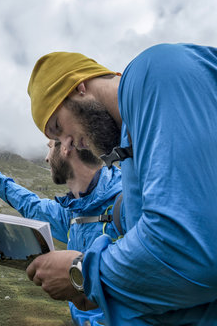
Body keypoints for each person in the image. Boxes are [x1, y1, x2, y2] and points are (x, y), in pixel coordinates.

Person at [25, 43, 217, 324]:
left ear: (78, 86)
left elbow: (190, 251)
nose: (65, 145)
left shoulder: (157, 72)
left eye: (58, 128)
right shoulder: (130, 150)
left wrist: (82, 273)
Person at [0, 140, 122, 326]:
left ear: (66, 146)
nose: (46, 159)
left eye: (50, 147)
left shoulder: (125, 202)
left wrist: (81, 269)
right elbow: (31, 205)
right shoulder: (71, 212)